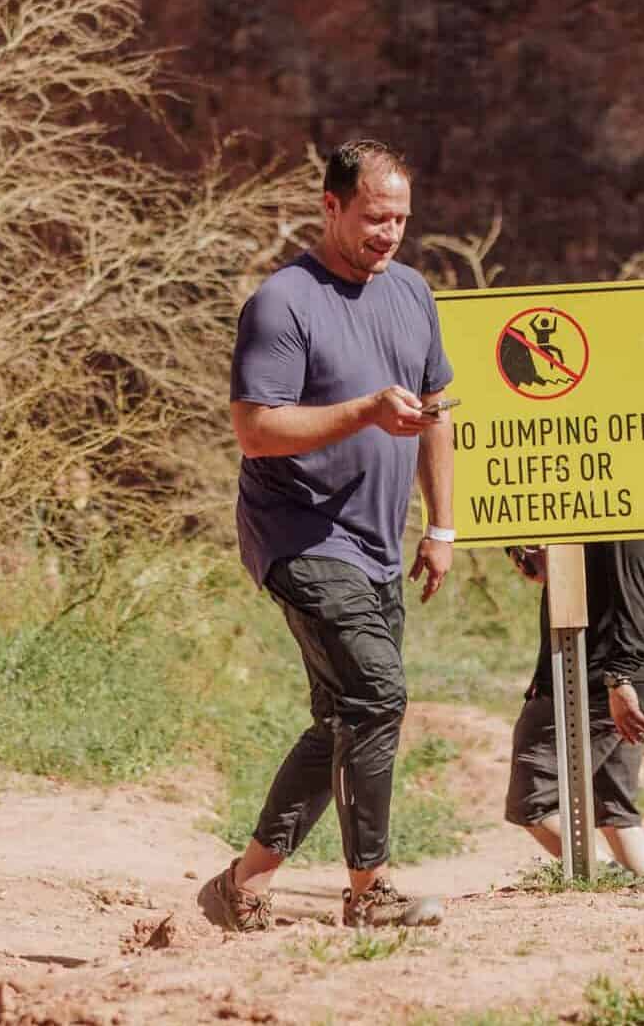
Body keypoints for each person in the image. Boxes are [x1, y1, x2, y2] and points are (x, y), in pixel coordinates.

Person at [197, 139, 456, 933]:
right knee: (378, 693)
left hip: (379, 541)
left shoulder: (411, 293)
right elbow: (256, 428)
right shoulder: (284, 302)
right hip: (298, 534)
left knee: (346, 715)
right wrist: (365, 411)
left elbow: (437, 410)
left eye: (402, 220)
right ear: (331, 207)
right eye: (376, 217)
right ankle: (368, 888)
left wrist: (441, 524)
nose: (389, 234)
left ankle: (240, 884)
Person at [503, 537, 644, 881]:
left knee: (532, 801)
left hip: (598, 680)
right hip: (627, 677)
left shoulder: (627, 506)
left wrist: (619, 678)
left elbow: (635, 593)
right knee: (614, 810)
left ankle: (624, 889)